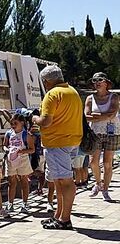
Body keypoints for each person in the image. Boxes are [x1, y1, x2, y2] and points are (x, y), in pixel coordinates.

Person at [29, 65, 84, 229]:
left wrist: (34, 118)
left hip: (57, 143)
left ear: (47, 81)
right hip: (72, 140)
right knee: (59, 181)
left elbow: (45, 121)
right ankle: (58, 215)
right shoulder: (72, 92)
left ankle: (65, 219)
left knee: (65, 181)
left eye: (44, 82)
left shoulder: (52, 94)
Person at [86, 72, 119, 200]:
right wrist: (104, 116)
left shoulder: (114, 97)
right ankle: (98, 183)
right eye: (95, 80)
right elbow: (86, 116)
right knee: (93, 162)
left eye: (100, 80)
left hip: (112, 132)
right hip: (95, 132)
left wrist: (96, 117)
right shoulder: (90, 98)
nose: (97, 82)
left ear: (106, 82)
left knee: (107, 163)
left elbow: (113, 113)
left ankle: (105, 189)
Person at [3, 113, 35, 214]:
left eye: (15, 123)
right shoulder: (8, 133)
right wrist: (8, 150)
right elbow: (4, 145)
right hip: (11, 159)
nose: (13, 125)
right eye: (11, 123)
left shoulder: (26, 135)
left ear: (22, 123)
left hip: (23, 160)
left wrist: (22, 152)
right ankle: (10, 203)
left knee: (24, 181)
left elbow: (32, 150)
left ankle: (24, 203)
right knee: (11, 182)